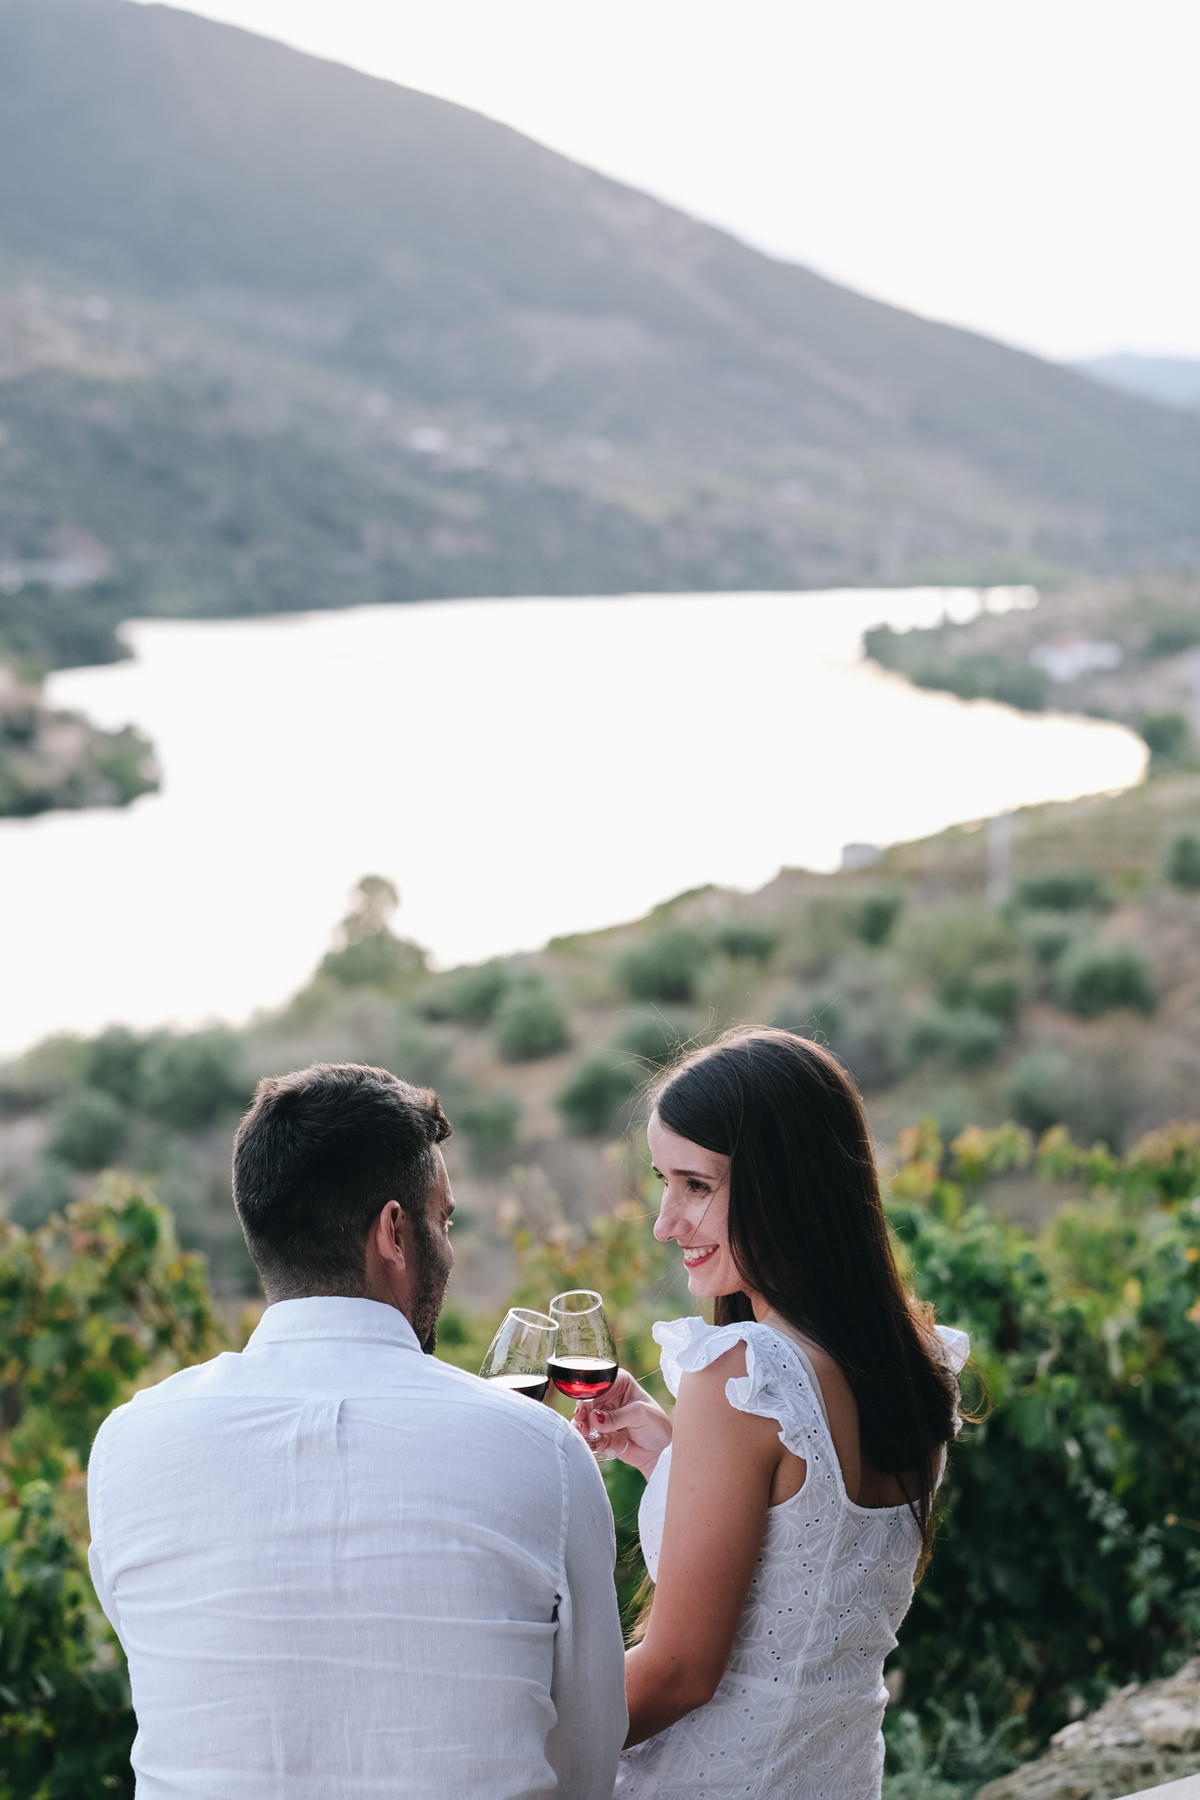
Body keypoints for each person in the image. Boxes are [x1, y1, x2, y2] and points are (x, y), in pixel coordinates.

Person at [87, 1062, 627, 1799]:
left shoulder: (127, 1446)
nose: (452, 1248)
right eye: (445, 1219)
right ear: (394, 1234)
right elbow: (586, 1767)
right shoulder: (545, 1453)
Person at [574, 1028, 969, 1800]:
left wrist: (510, 1738)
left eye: (695, 1186)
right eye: (664, 1181)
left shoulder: (744, 1373)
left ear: (784, 1182)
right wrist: (669, 1453)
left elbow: (680, 1673)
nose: (664, 1222)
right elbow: (809, 1547)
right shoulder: (911, 1367)